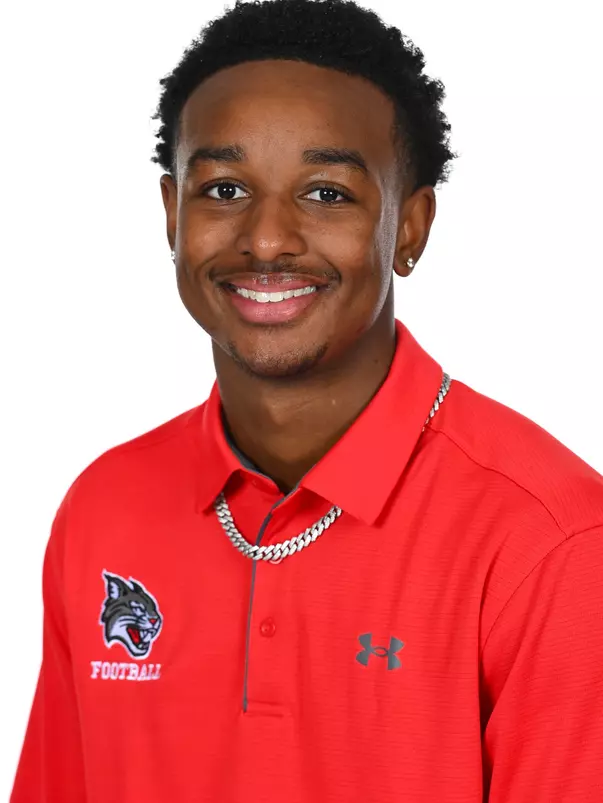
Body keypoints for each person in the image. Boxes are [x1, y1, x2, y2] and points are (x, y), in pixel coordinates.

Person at [10, 0, 603, 800]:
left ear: (410, 228)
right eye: (224, 188)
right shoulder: (102, 508)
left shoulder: (552, 544)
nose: (265, 238)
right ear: (172, 215)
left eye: (326, 194)